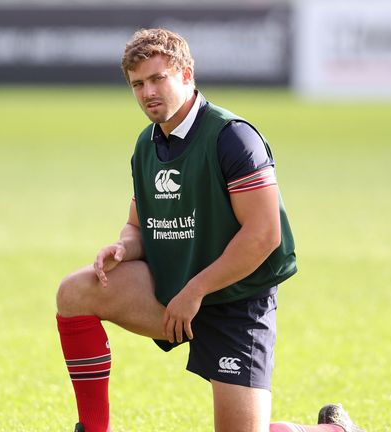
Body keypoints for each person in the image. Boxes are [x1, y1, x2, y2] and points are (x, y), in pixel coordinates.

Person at [55, 28, 365, 432]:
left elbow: (263, 234)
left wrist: (196, 290)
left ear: (186, 74)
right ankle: (93, 428)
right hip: (176, 291)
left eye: (157, 79)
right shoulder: (147, 144)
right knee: (75, 291)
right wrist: (125, 248)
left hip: (236, 300)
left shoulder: (233, 137)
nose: (148, 92)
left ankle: (333, 431)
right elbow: (137, 223)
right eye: (138, 84)